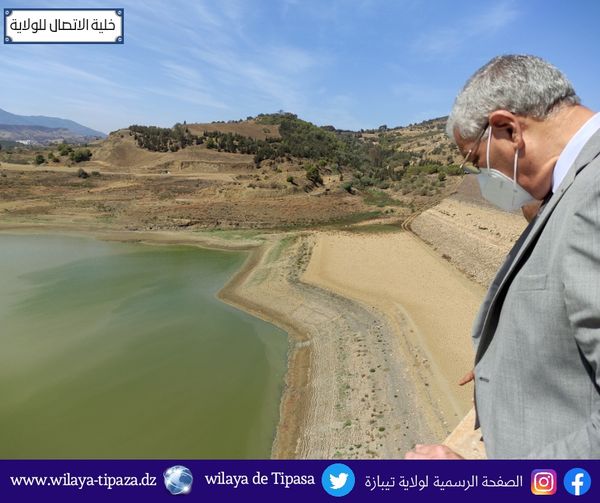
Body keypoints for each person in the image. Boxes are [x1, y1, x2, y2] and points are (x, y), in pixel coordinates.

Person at [406, 54, 600, 459]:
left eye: (476, 160)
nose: (483, 178)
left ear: (508, 129)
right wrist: (508, 357)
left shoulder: (593, 196)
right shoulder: (573, 187)